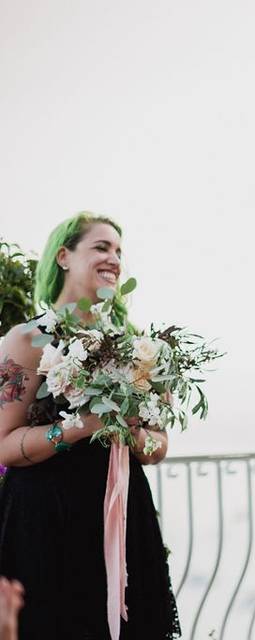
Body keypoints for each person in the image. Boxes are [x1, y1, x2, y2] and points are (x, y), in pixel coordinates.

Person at [0, 212, 180, 639]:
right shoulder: (27, 340)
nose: (114, 258)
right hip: (45, 520)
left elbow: (159, 446)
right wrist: (78, 426)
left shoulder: (138, 346)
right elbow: (3, 444)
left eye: (119, 250)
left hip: (121, 515)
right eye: (101, 247)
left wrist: (131, 431)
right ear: (64, 256)